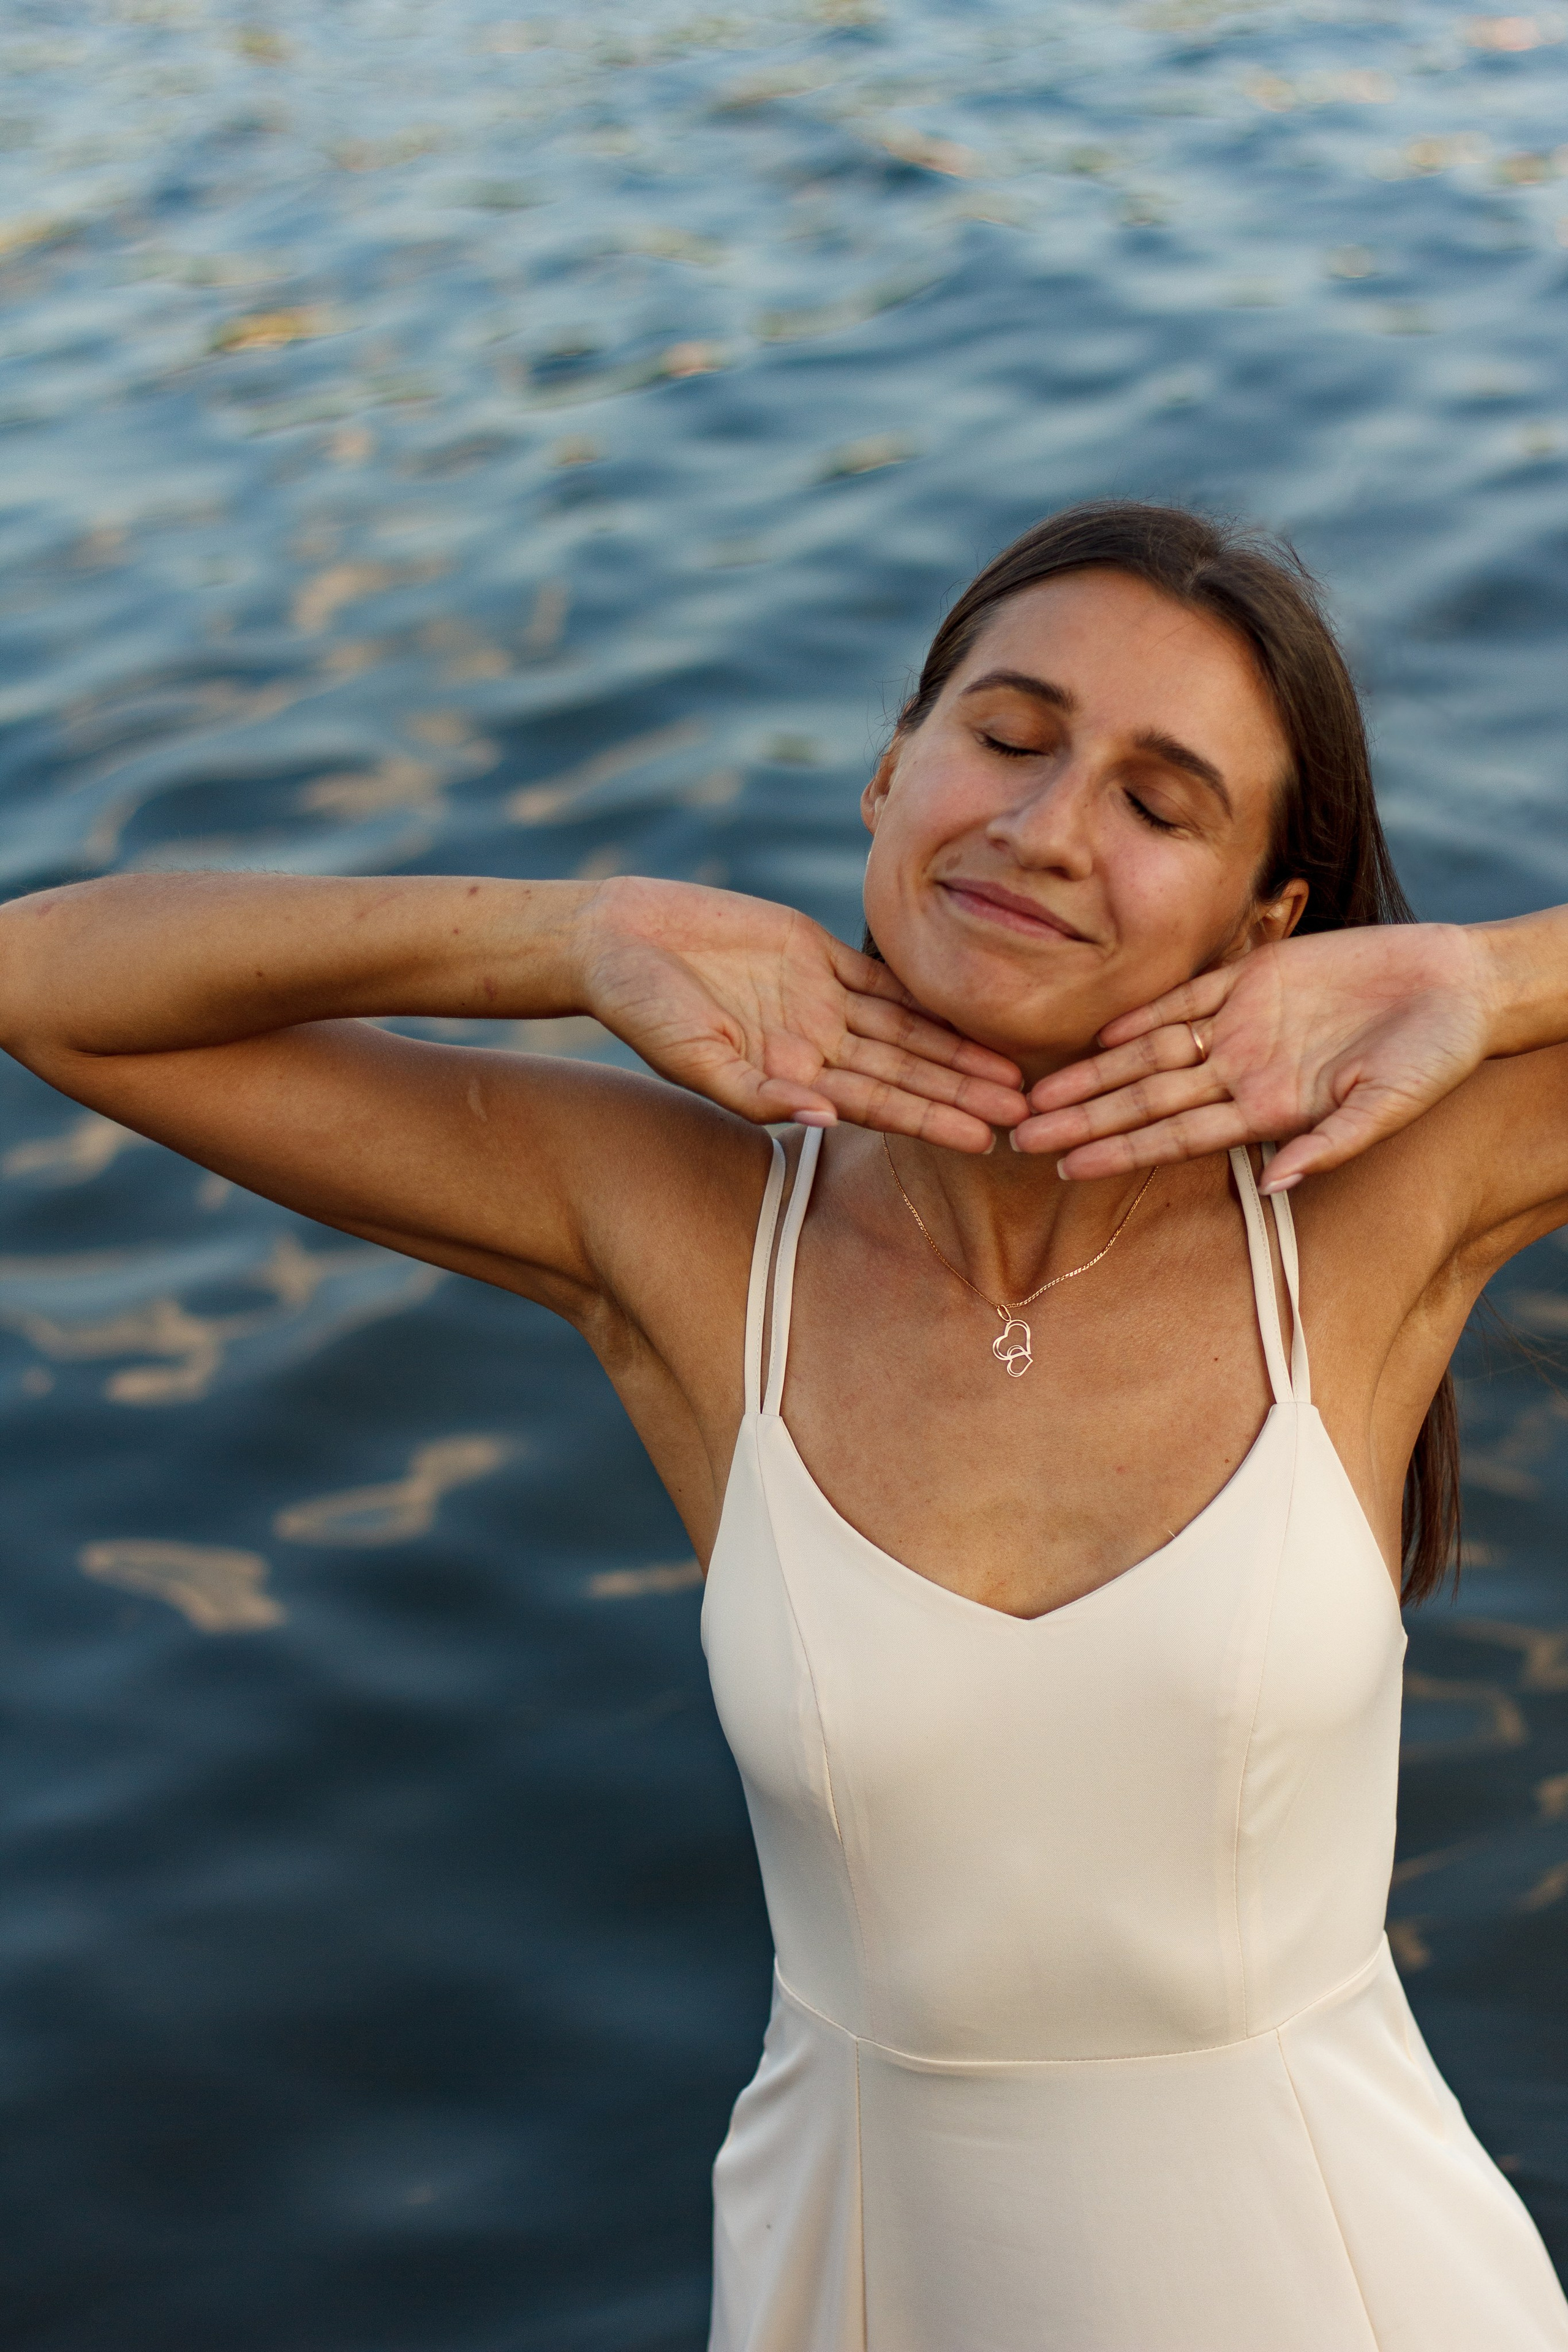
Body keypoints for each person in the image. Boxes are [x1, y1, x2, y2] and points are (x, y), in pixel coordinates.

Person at [3, 499, 1567, 2350]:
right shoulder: (695, 1241)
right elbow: (51, 986)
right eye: (1007, 736)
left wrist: (1481, 981)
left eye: (1160, 805)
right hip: (860, 2285)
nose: (1046, 828)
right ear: (890, 771)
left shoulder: (1359, 1217)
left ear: (1268, 921)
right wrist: (577, 935)